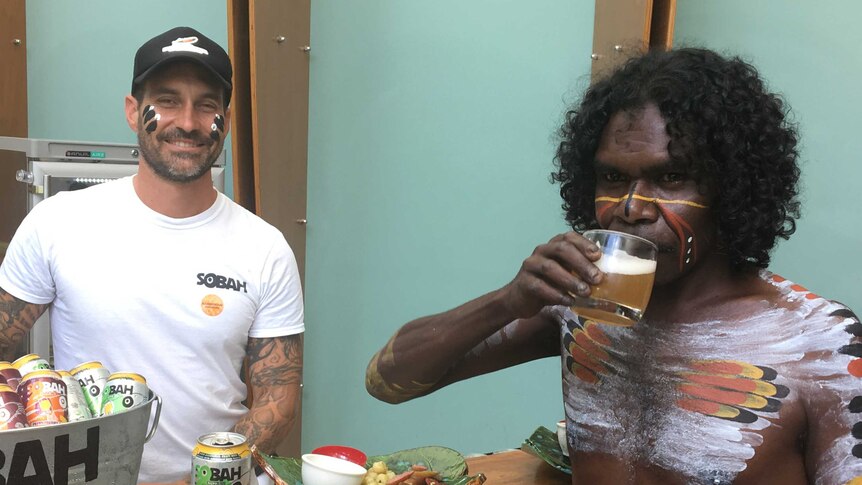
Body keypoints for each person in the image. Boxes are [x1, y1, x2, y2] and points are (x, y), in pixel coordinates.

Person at [365, 48, 862, 484]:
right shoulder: (582, 305)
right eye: (611, 176)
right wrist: (507, 301)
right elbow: (388, 381)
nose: (632, 208)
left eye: (671, 176)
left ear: (732, 188)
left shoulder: (819, 345)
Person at [0, 27, 304, 484]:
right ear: (132, 111)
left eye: (206, 105)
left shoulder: (265, 248)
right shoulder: (58, 222)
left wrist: (196, 478)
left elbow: (277, 402)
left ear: (225, 117)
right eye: (166, 100)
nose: (187, 122)